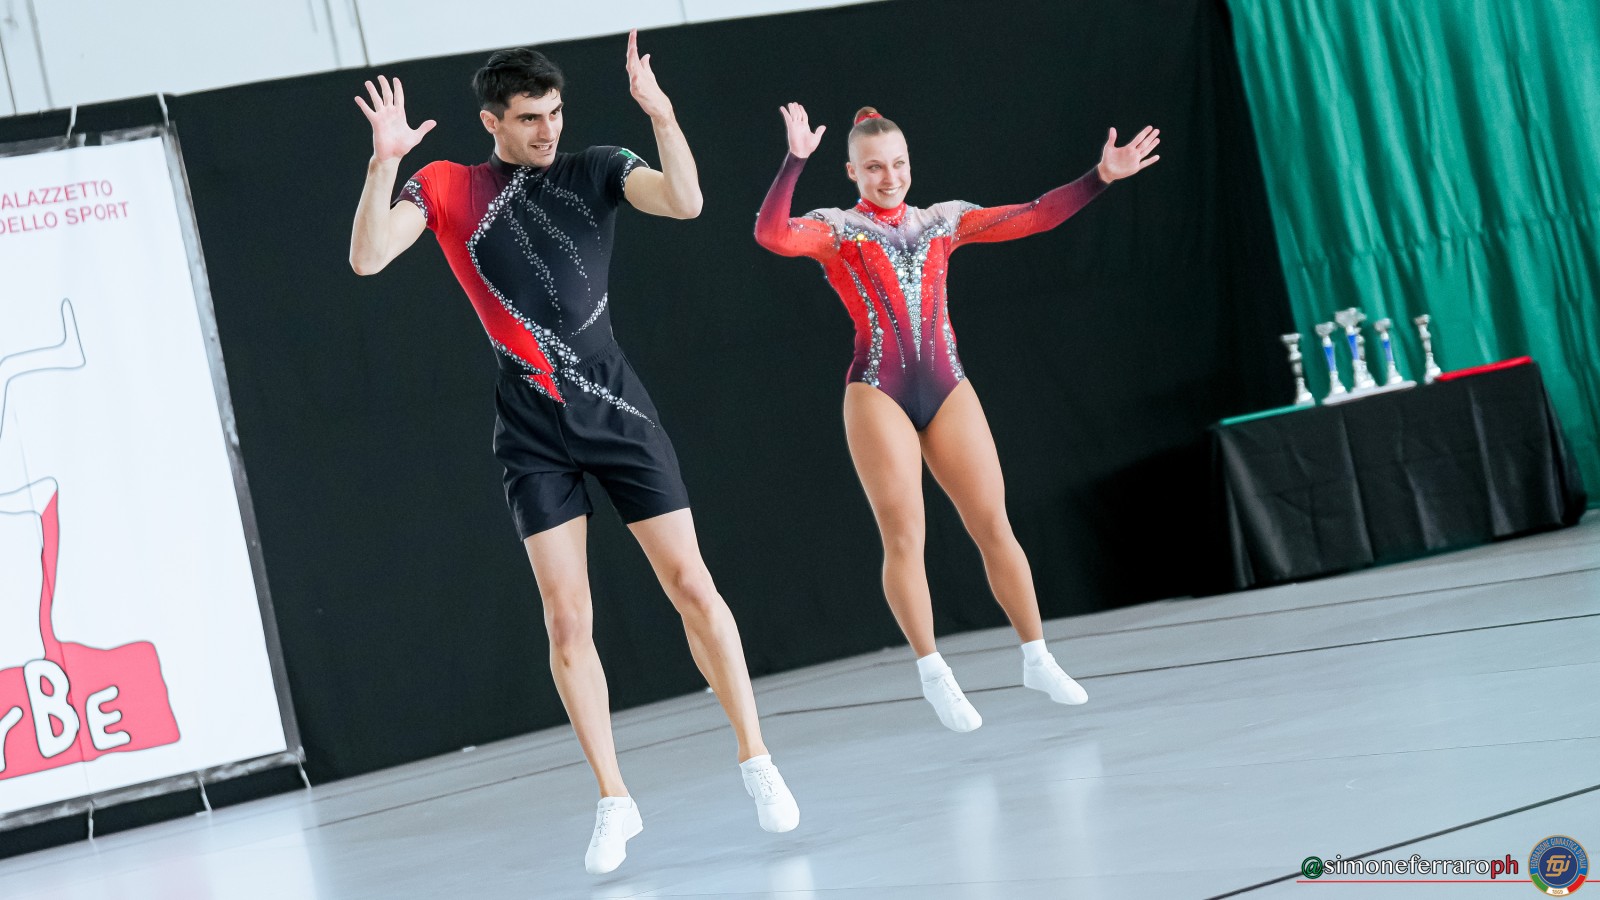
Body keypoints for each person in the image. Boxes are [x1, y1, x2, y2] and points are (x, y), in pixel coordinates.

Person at [347, 33, 799, 875]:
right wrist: (384, 164)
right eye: (529, 119)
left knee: (692, 585)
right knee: (566, 621)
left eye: (555, 113)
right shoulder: (445, 185)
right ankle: (614, 798)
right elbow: (369, 257)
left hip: (617, 410)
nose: (548, 130)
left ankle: (756, 758)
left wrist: (661, 114)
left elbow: (686, 201)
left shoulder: (597, 168)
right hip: (531, 430)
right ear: (492, 121)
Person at [754, 103, 1160, 733]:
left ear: (910, 164)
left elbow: (1034, 215)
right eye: (873, 168)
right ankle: (933, 671)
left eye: (898, 164)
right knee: (904, 538)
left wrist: (1100, 177)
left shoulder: (943, 221)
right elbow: (773, 235)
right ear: (852, 172)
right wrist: (794, 162)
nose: (889, 177)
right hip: (877, 391)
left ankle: (1037, 657)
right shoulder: (837, 228)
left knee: (994, 524)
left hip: (948, 387)